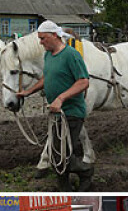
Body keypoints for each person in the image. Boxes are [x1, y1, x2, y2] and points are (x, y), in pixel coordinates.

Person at [16, 20, 93, 192]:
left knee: (63, 155)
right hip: (56, 113)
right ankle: (65, 187)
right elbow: (46, 78)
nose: (41, 42)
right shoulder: (48, 55)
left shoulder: (71, 55)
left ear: (54, 36)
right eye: (40, 39)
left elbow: (83, 82)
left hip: (71, 112)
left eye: (43, 38)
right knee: (57, 155)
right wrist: (28, 92)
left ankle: (87, 172)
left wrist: (61, 98)